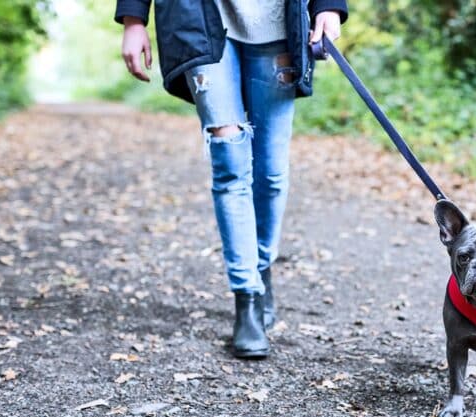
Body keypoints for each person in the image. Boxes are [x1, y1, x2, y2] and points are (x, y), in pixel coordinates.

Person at [114, 0, 347, 358]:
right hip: (200, 23)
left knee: (269, 173)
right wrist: (133, 19)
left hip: (278, 28)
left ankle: (261, 266)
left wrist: (328, 5)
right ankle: (247, 298)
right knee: (229, 162)